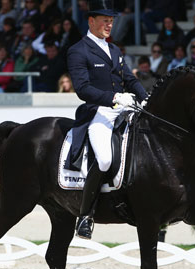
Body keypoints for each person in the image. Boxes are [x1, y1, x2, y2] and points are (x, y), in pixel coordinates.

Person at [66, 0, 147, 240]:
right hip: (98, 112)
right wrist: (113, 97)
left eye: (111, 20)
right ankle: (85, 216)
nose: (109, 24)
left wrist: (144, 98)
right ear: (91, 21)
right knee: (103, 159)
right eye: (105, 20)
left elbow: (130, 80)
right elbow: (82, 89)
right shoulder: (78, 51)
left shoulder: (114, 50)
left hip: (124, 107)